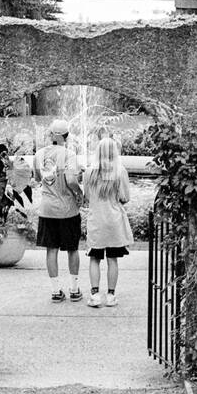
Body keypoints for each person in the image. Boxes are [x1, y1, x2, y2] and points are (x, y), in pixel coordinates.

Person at [33, 118, 83, 302]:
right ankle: (75, 289)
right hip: (67, 210)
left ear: (50, 135)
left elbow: (38, 178)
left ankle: (55, 291)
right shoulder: (69, 154)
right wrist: (79, 192)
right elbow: (71, 180)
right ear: (66, 136)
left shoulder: (39, 154)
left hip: (47, 210)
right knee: (72, 249)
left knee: (51, 250)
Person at [82, 136, 133, 308]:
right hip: (114, 222)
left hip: (96, 221)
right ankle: (111, 296)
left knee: (94, 259)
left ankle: (95, 295)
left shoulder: (89, 172)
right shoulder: (120, 172)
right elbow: (125, 197)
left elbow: (87, 197)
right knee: (113, 260)